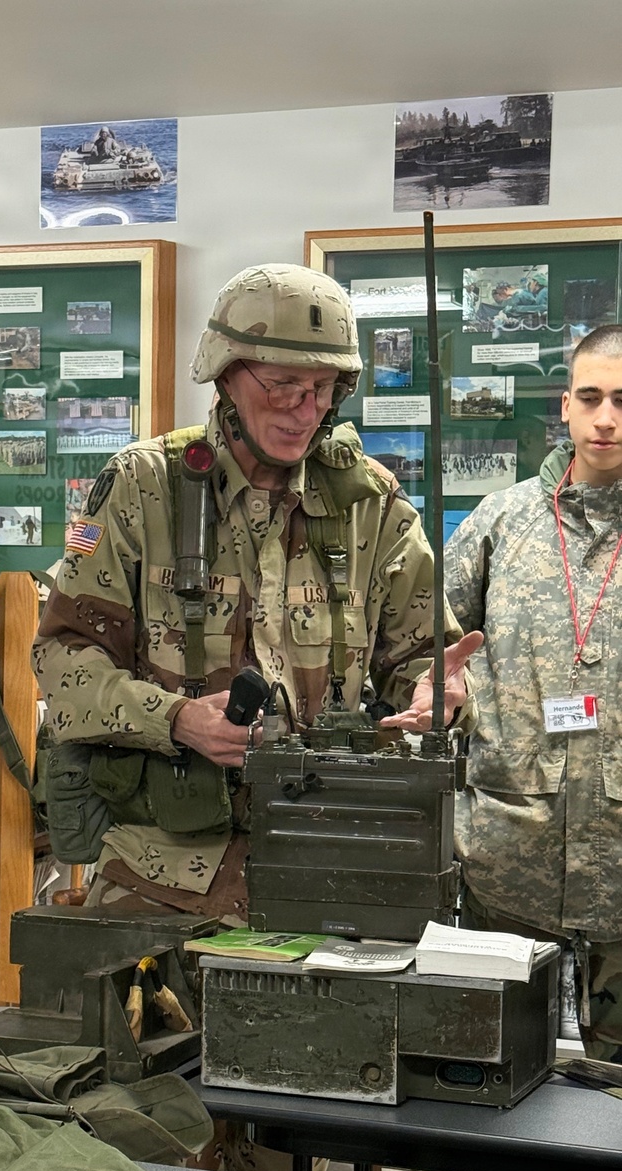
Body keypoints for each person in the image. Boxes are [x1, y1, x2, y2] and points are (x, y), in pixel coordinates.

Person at [33, 264, 479, 919]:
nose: (307, 409)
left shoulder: (374, 506)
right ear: (226, 373)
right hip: (163, 876)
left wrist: (437, 696)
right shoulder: (141, 488)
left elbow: (428, 660)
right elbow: (62, 662)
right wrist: (177, 719)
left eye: (325, 388)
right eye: (285, 385)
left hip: (334, 864)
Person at [446, 323, 622, 1061]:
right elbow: (427, 646)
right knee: (489, 1087)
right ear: (565, 406)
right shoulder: (502, 522)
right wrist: (441, 690)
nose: (607, 417)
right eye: (591, 397)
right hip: (503, 861)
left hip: (618, 867)